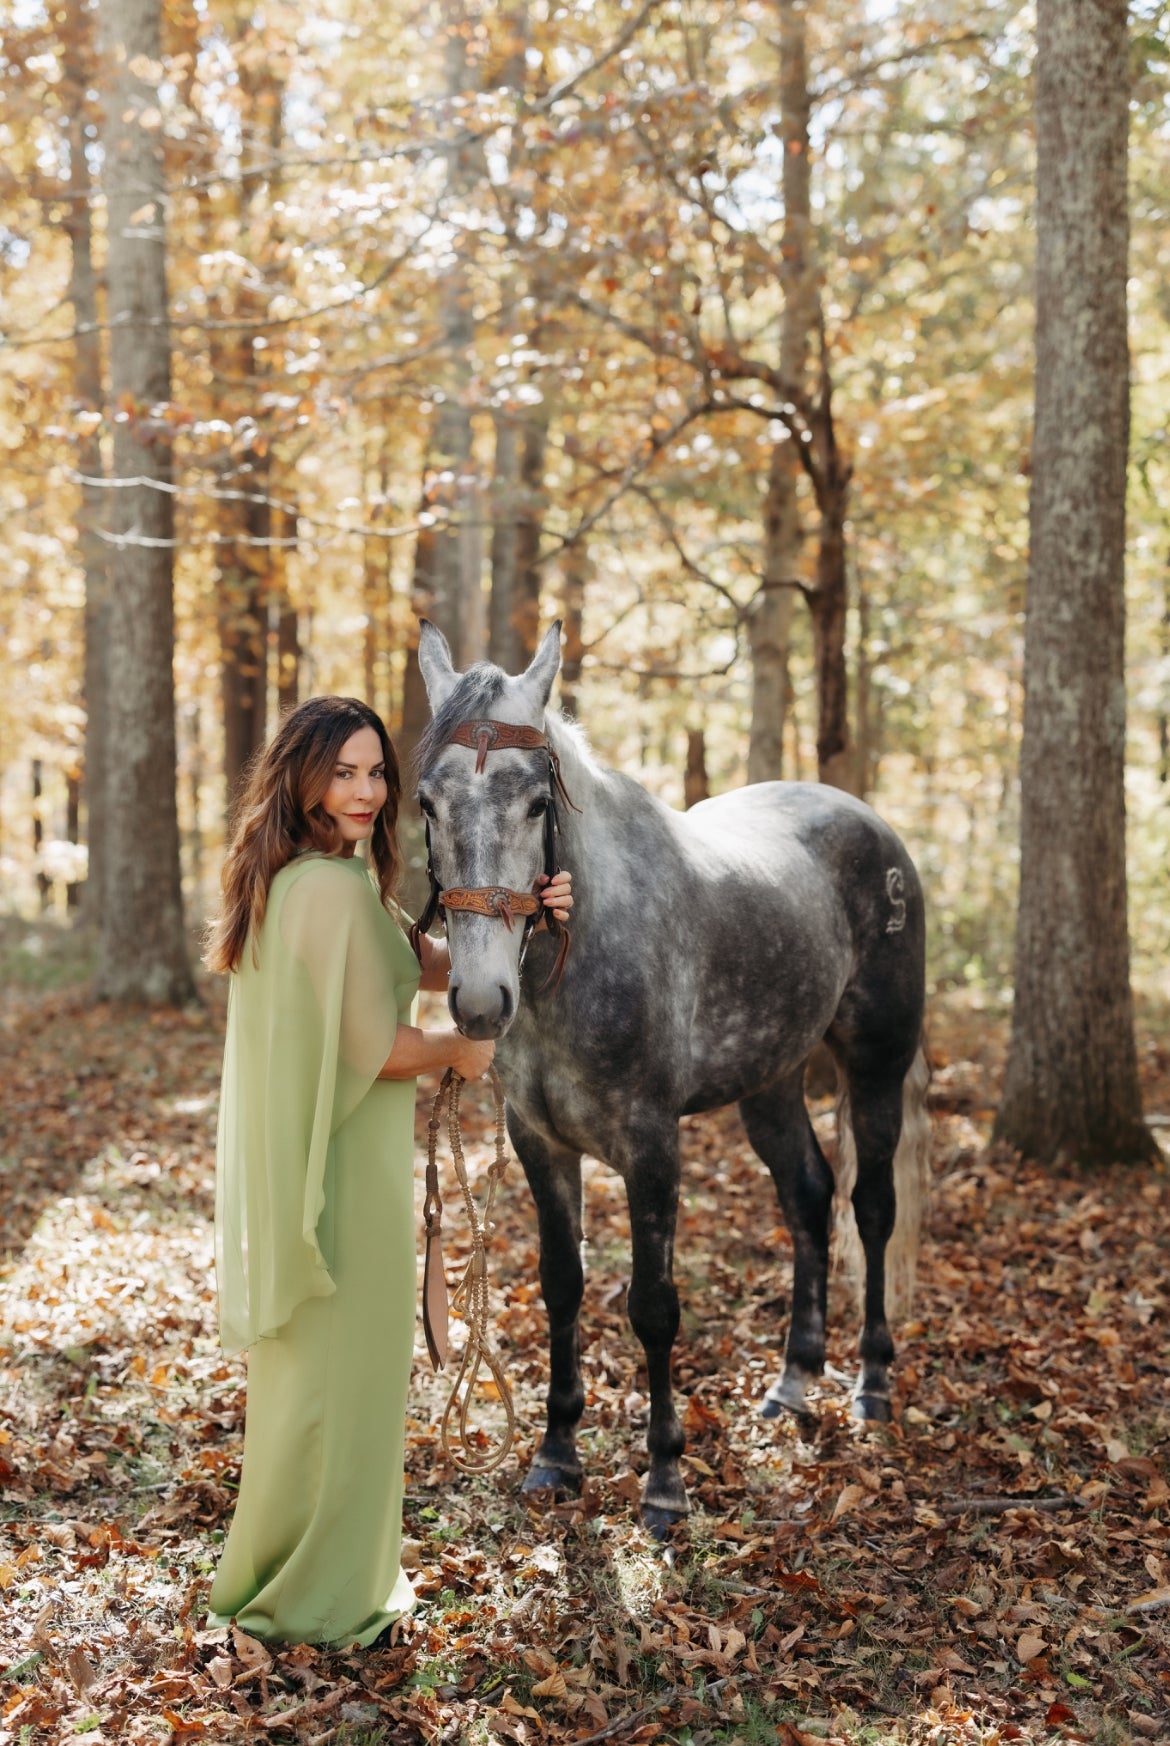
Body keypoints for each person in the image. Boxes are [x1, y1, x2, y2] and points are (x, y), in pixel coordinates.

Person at [203, 695, 571, 1646]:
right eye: (345, 772)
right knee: (348, 1388)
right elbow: (375, 1045)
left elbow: (427, 960)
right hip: (345, 1184)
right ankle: (321, 1599)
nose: (365, 791)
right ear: (302, 777)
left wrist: (524, 909)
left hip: (329, 1169)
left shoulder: (319, 878)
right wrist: (457, 1053)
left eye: (377, 773)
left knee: (316, 1390)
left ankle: (283, 1573)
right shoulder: (326, 891)